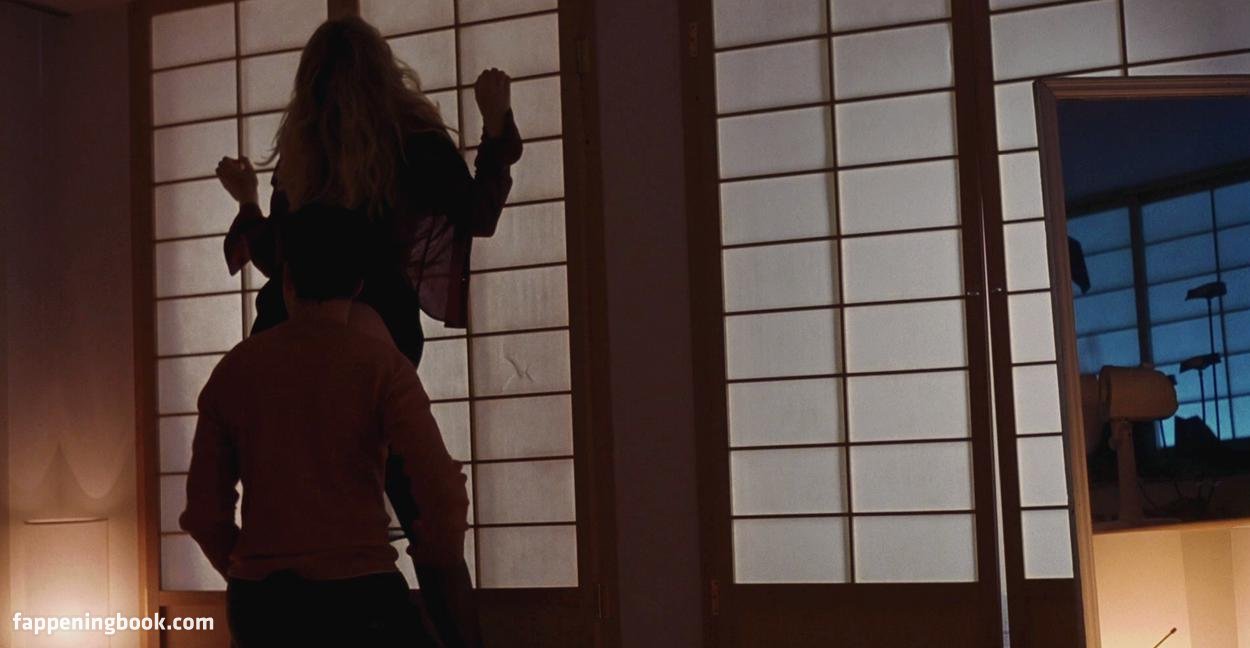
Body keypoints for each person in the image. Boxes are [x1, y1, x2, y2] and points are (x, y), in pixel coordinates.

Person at [214, 16, 523, 645]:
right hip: (376, 339)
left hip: (285, 342)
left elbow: (282, 262)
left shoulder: (301, 158)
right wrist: (495, 125)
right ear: (384, 75)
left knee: (293, 501)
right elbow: (476, 214)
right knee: (426, 515)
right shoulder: (412, 142)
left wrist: (247, 203)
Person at [179, 206, 469, 647]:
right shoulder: (383, 367)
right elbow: (442, 493)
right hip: (360, 597)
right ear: (357, 285)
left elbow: (204, 515)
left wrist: (247, 570)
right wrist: (436, 549)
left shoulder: (234, 371)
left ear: (286, 279)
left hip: (261, 608)